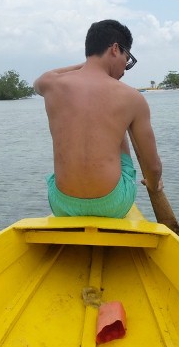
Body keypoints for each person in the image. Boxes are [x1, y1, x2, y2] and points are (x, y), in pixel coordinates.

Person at [33, 19, 163, 218]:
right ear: (115, 49)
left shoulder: (51, 85)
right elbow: (152, 166)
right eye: (126, 59)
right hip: (112, 205)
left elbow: (44, 77)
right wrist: (154, 185)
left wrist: (89, 63)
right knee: (117, 128)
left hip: (62, 204)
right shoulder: (132, 97)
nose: (125, 68)